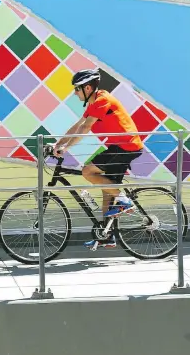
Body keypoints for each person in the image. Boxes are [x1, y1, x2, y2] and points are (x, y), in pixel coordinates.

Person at [53, 69, 144, 249]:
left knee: (88, 171)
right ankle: (107, 235)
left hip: (126, 146)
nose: (75, 92)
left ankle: (125, 200)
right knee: (107, 190)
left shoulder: (102, 100)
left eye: (77, 89)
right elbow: (77, 125)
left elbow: (85, 128)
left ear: (87, 87)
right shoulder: (95, 103)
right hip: (120, 146)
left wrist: (66, 147)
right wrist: (58, 144)